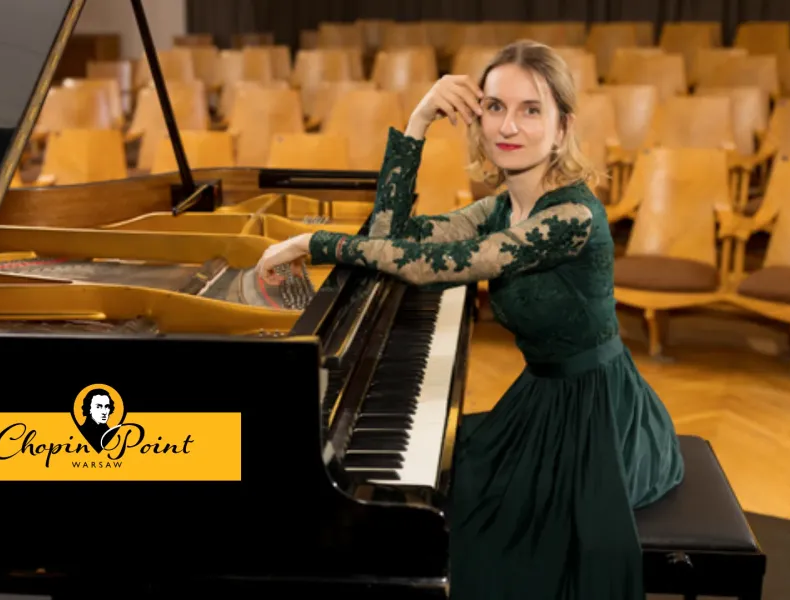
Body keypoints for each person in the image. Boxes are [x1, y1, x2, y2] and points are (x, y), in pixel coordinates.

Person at [255, 40, 685, 600]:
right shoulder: (500, 209)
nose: (510, 124)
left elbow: (440, 266)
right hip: (540, 402)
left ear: (562, 128)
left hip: (600, 419)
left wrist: (317, 242)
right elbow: (391, 238)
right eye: (495, 107)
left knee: (492, 530)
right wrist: (417, 121)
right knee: (449, 487)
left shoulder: (573, 216)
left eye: (532, 109)